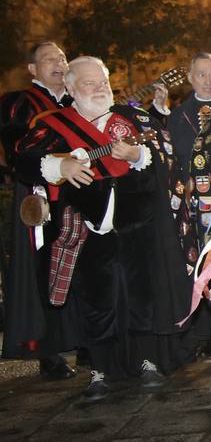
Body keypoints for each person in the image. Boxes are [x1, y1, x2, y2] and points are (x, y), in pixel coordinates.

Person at [16, 57, 192, 400]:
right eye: (89, 83)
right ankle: (99, 369)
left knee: (141, 294)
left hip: (137, 225)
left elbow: (165, 154)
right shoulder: (52, 125)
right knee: (96, 299)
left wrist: (138, 157)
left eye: (103, 82)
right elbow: (23, 158)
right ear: (69, 88)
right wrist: (60, 164)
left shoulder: (130, 118)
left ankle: (147, 361)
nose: (99, 89)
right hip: (83, 228)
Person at [1, 41, 75, 379]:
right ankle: (50, 351)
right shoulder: (21, 103)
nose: (59, 64)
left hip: (80, 195)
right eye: (49, 60)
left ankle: (84, 341)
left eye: (62, 57)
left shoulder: (78, 98)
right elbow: (16, 152)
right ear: (33, 70)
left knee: (81, 269)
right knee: (43, 271)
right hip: (41, 198)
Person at [165, 51, 211, 357]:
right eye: (201, 74)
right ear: (190, 78)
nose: (208, 80)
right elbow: (177, 158)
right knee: (204, 261)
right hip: (198, 202)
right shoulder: (179, 116)